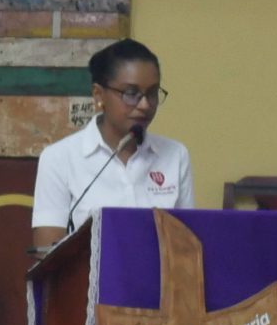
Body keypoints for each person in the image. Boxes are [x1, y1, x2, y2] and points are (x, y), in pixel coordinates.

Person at [28, 40, 192, 248]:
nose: (145, 105)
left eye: (152, 93)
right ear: (99, 95)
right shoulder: (59, 158)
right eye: (131, 94)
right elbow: (47, 252)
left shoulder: (175, 155)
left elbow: (186, 242)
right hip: (89, 270)